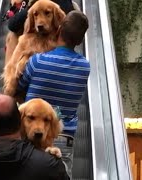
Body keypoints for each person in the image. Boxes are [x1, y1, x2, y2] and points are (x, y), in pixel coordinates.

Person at [17, 10, 90, 176]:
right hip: (63, 138)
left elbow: (20, 85)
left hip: (31, 136)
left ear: (58, 30)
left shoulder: (37, 61)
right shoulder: (84, 67)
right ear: (79, 41)